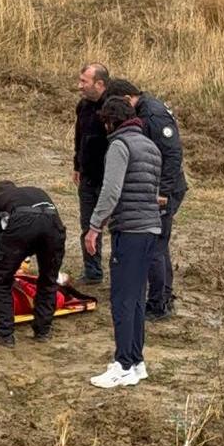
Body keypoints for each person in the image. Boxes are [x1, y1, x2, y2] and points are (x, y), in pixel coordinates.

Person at [86, 98, 161, 388]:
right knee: (136, 299)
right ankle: (136, 361)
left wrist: (94, 227)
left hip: (129, 231)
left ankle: (123, 364)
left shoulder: (120, 145)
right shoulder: (150, 146)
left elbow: (111, 191)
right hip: (149, 230)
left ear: (111, 121)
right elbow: (152, 191)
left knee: (122, 299)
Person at [105, 79, 188, 321]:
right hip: (155, 186)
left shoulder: (153, 115)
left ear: (126, 99)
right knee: (159, 246)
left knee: (155, 248)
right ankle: (163, 295)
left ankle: (158, 304)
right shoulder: (145, 110)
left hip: (164, 190)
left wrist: (163, 191)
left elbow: (173, 154)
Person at [0, 182, 66, 348]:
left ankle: (5, 334)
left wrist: (1, 263)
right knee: (48, 280)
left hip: (24, 224)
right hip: (53, 226)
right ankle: (43, 330)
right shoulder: (36, 190)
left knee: (1, 281)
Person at [73, 62, 110, 284]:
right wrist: (77, 165)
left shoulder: (114, 107)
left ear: (100, 83)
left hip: (110, 179)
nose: (80, 86)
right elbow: (79, 137)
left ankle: (122, 268)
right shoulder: (83, 106)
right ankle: (92, 271)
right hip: (88, 177)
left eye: (84, 82)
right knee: (88, 225)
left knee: (118, 227)